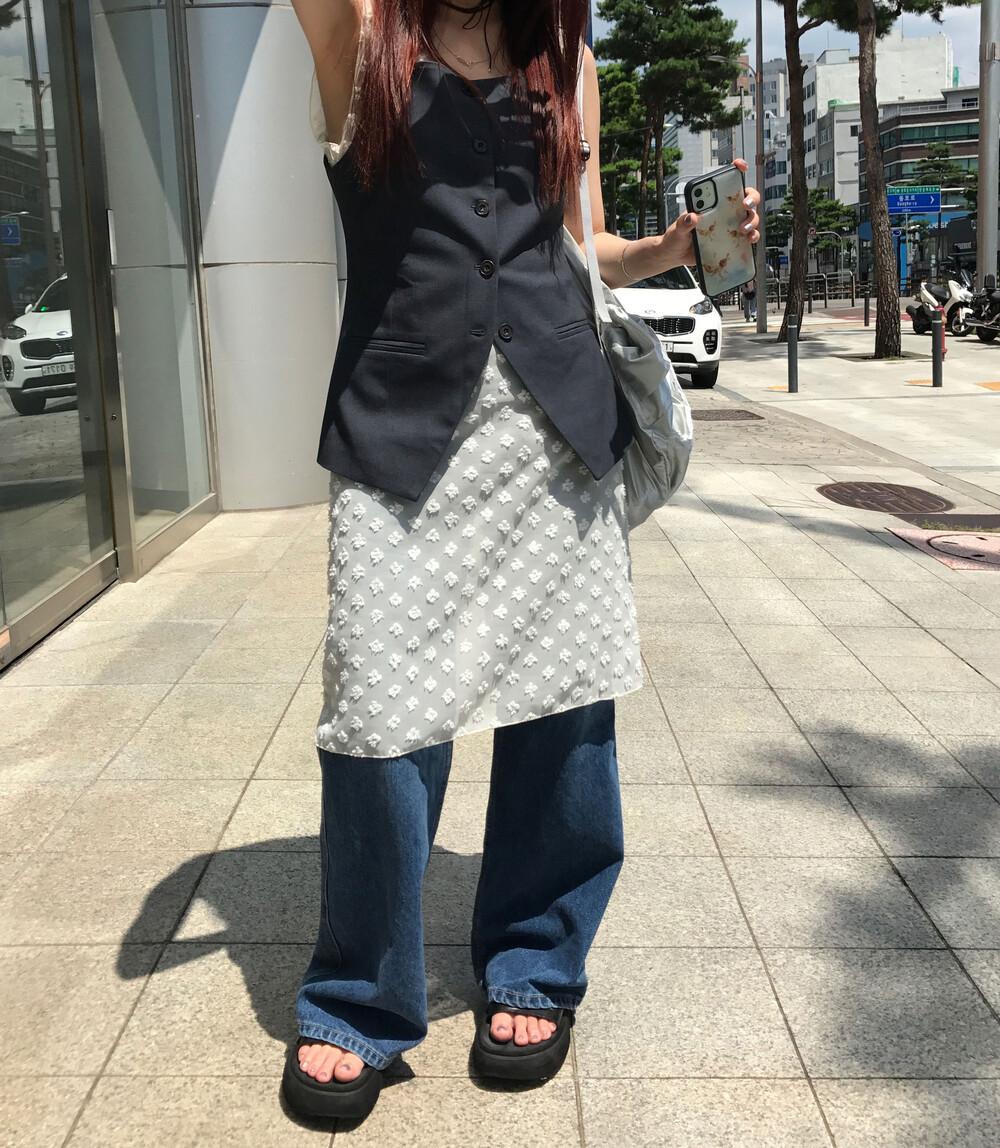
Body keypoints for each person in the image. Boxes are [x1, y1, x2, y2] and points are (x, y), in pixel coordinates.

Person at [285, 0, 760, 1121]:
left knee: (564, 711)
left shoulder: (565, 61)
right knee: (378, 718)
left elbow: (577, 241)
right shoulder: (361, 39)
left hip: (553, 429)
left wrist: (673, 249)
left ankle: (536, 958)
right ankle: (360, 997)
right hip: (403, 426)